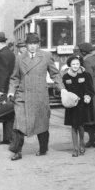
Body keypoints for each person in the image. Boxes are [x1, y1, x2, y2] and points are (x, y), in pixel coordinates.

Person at [7, 32, 63, 161]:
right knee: (18, 124)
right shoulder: (19, 58)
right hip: (22, 96)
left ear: (38, 45)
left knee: (41, 123)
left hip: (40, 96)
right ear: (26, 45)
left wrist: (62, 89)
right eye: (30, 44)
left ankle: (43, 148)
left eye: (35, 44)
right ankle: (17, 151)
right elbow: (14, 77)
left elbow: (55, 74)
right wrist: (11, 91)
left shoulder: (46, 56)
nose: (32, 46)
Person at [62, 55, 95, 157]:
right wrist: (65, 97)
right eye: (73, 64)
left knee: (80, 125)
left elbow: (90, 89)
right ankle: (75, 149)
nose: (75, 66)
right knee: (73, 126)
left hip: (82, 105)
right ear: (69, 65)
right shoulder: (66, 76)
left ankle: (81, 143)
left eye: (77, 64)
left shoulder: (86, 75)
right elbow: (63, 90)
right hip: (71, 105)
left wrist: (88, 96)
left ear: (80, 64)